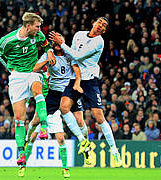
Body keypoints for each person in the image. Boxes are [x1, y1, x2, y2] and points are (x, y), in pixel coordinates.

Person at [50, 17, 122, 167]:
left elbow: (78, 56)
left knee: (98, 117)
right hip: (75, 78)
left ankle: (114, 151)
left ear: (104, 30)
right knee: (64, 108)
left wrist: (62, 43)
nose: (100, 26)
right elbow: (72, 58)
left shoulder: (99, 42)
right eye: (99, 22)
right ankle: (84, 142)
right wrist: (76, 78)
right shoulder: (79, 35)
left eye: (103, 26)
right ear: (93, 23)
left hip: (89, 81)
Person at [0, 12, 56, 168]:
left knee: (38, 91)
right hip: (17, 78)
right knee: (19, 117)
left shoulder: (37, 35)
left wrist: (49, 51)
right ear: (28, 26)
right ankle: (21, 153)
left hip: (32, 72)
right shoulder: (7, 40)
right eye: (37, 26)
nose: (39, 29)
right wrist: (10, 69)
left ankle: (44, 127)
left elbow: (45, 44)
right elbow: (0, 54)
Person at [19, 42, 86, 177]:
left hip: (59, 99)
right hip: (48, 101)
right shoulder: (41, 70)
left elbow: (76, 68)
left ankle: (65, 168)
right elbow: (34, 69)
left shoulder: (65, 59)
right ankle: (23, 165)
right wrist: (46, 61)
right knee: (33, 132)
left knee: (61, 138)